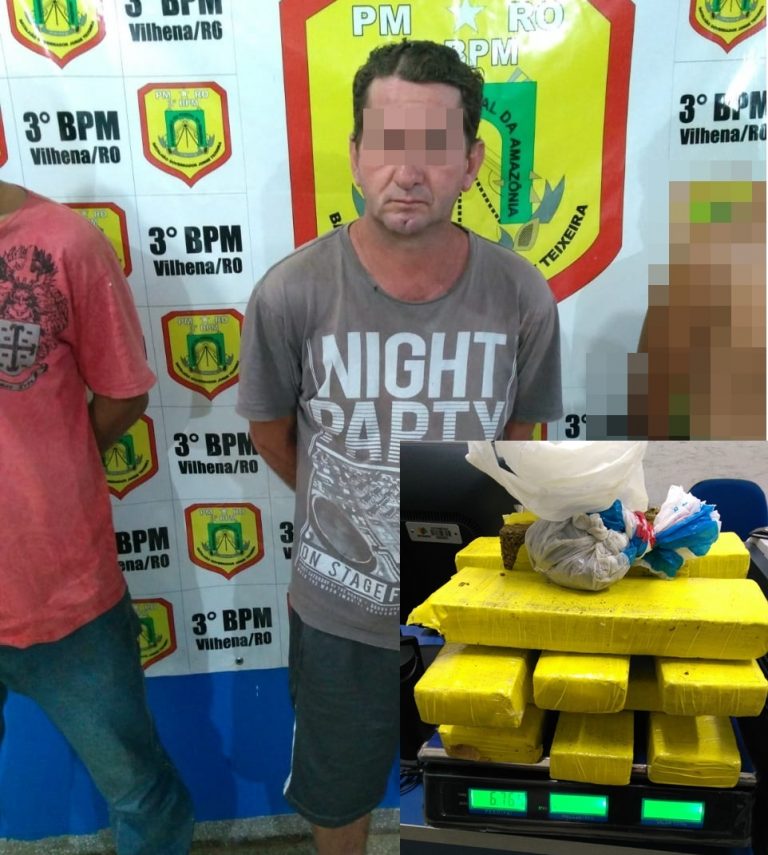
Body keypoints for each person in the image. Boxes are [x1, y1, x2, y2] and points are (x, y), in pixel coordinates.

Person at [236, 39, 562, 853]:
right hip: (339, 616)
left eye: (434, 147)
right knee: (337, 800)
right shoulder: (290, 292)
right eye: (387, 143)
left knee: (478, 801)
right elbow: (273, 435)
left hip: (473, 609)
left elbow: (523, 441)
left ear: (471, 162)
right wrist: (350, 517)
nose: (407, 172)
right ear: (355, 154)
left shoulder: (521, 294)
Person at [0, 182, 194, 854]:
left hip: (62, 595)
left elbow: (122, 394)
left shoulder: (66, 243)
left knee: (141, 793)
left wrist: (50, 473)